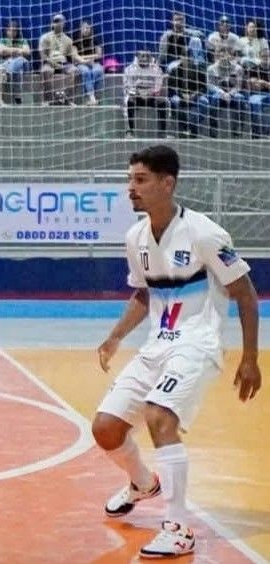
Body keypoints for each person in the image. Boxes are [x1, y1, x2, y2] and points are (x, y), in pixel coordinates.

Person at [93, 144, 261, 559]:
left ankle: (179, 528)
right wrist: (115, 336)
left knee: (159, 417)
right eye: (129, 179)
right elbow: (144, 294)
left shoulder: (205, 233)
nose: (130, 188)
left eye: (140, 179)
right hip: (157, 347)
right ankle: (141, 483)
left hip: (196, 344)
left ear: (167, 183)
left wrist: (250, 358)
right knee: (105, 428)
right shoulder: (136, 237)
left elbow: (246, 293)